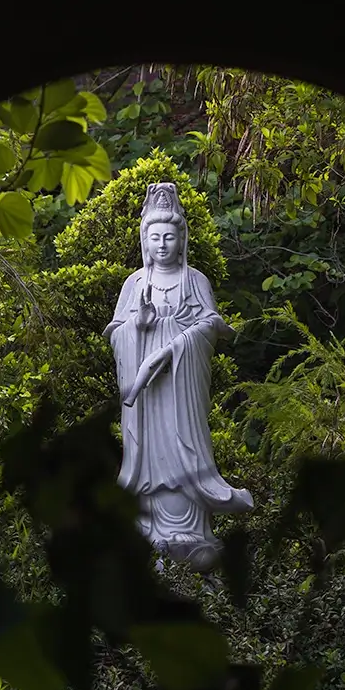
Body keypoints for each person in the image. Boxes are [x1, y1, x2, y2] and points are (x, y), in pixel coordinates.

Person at [102, 182, 254, 571]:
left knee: (183, 448)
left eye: (170, 236)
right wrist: (140, 326)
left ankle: (191, 530)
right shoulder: (134, 284)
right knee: (149, 457)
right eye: (155, 237)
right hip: (147, 402)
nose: (163, 245)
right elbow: (116, 332)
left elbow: (211, 327)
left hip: (180, 394)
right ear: (144, 239)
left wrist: (177, 343)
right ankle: (146, 526)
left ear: (182, 238)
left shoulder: (195, 281)